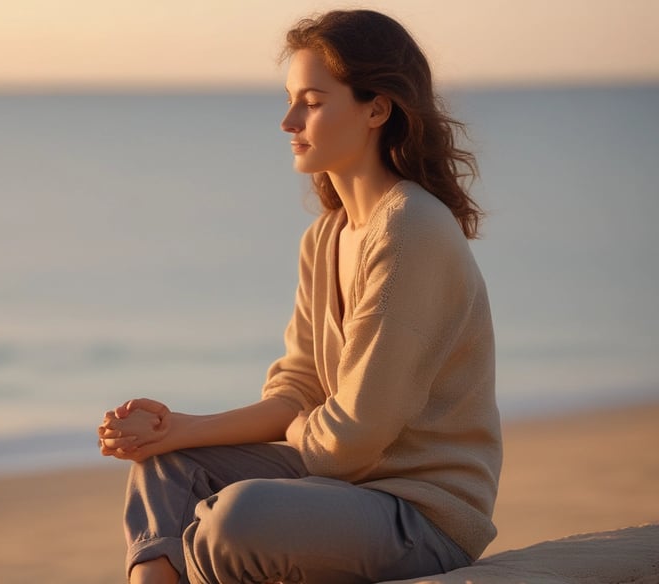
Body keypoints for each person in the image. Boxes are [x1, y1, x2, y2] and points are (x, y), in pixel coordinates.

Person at [98, 9, 502, 584]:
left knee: (236, 521)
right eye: (290, 100)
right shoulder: (327, 237)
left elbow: (350, 441)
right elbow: (298, 389)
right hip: (338, 492)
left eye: (311, 101)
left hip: (419, 517)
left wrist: (298, 420)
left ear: (376, 108)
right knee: (165, 471)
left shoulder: (412, 231)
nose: (289, 121)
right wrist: (176, 430)